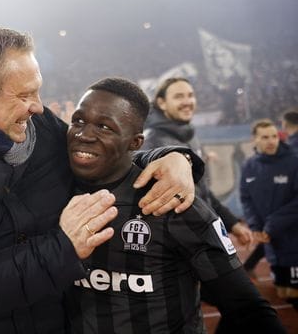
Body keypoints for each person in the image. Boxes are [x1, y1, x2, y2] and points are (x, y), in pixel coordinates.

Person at [0, 25, 202, 333]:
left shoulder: (39, 126)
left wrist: (172, 157)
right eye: (24, 95)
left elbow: (97, 157)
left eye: (38, 91)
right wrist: (64, 246)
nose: (37, 106)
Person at [65, 77, 285, 334]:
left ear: (135, 142)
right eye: (78, 121)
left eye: (104, 126)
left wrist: (230, 221)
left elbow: (248, 308)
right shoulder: (55, 189)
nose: (84, 134)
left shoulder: (171, 203)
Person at [142, 77, 253, 245]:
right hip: (178, 245)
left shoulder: (188, 137)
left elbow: (201, 191)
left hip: (197, 235)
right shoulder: (154, 141)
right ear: (162, 103)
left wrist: (232, 223)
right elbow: (171, 201)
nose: (187, 101)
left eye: (190, 95)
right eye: (179, 96)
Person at [240, 119, 298, 311]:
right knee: (283, 293)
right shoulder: (249, 166)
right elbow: (246, 199)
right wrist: (256, 227)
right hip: (271, 242)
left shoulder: (294, 161)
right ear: (254, 140)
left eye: (274, 136)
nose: (271, 141)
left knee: (294, 294)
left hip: (293, 239)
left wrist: (271, 225)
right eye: (265, 137)